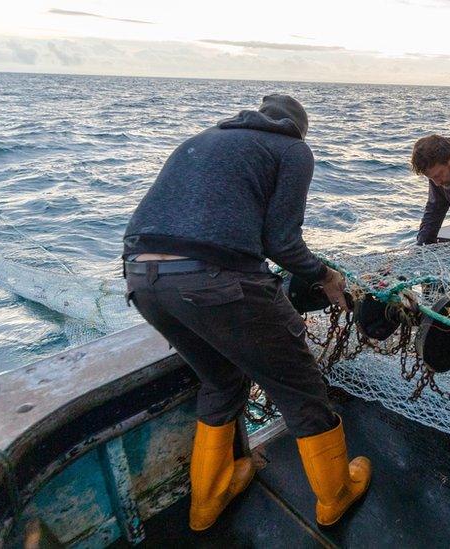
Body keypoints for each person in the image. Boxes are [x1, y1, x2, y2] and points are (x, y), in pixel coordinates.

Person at [122, 94, 370, 531]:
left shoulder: (203, 138)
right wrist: (324, 276)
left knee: (221, 379)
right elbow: (281, 243)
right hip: (215, 279)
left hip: (143, 278)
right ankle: (335, 496)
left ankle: (207, 502)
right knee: (300, 385)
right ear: (298, 127)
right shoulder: (292, 149)